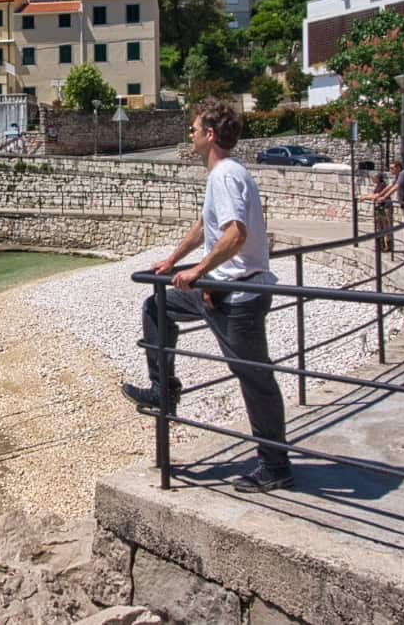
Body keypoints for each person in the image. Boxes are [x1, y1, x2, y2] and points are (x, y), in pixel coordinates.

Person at [122, 98, 292, 494]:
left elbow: (235, 234)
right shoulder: (223, 174)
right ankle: (164, 390)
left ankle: (275, 465)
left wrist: (198, 271)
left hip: (239, 295)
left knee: (255, 379)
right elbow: (204, 227)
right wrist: (172, 261)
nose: (190, 133)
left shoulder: (226, 175)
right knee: (157, 304)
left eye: (195, 129)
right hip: (220, 289)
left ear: (210, 135)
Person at [372, 161, 404, 260]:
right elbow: (390, 186)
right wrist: (380, 195)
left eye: (392, 168)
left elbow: (396, 187)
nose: (390, 170)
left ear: (398, 168)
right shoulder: (398, 176)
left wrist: (384, 197)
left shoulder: (403, 174)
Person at [359, 172, 393, 251]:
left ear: (378, 178)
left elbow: (377, 195)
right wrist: (366, 196)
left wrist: (365, 197)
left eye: (373, 178)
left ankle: (388, 246)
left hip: (385, 207)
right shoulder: (378, 185)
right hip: (380, 207)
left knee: (386, 226)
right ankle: (381, 245)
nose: (372, 179)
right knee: (380, 226)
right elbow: (374, 195)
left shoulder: (382, 185)